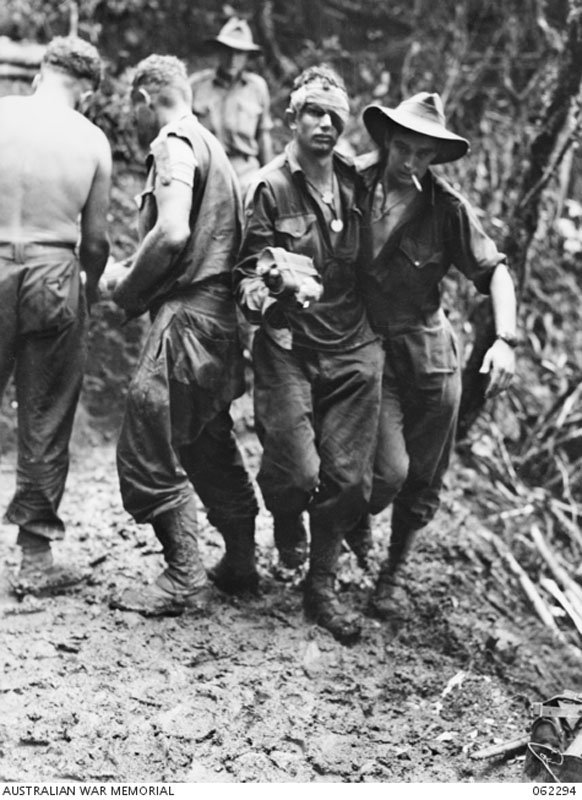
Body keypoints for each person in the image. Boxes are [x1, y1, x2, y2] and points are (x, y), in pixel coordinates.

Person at [353, 92, 517, 624]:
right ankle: (355, 519)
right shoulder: (351, 183)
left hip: (430, 363)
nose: (410, 163)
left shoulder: (445, 209)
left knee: (422, 477)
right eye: (402, 148)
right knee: (384, 471)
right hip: (370, 353)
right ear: (386, 141)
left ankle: (392, 575)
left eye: (423, 154)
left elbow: (495, 271)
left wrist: (505, 340)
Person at [234, 65, 384, 644]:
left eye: (334, 116)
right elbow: (245, 276)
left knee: (350, 481)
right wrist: (275, 290)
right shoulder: (269, 187)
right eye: (312, 113)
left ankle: (320, 587)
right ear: (291, 118)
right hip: (289, 345)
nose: (324, 124)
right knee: (295, 471)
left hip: (352, 346)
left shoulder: (358, 180)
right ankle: (287, 518)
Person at [106, 55, 258, 617]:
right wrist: (133, 265)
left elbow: (172, 232)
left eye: (131, 106)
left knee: (146, 435)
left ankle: (184, 577)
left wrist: (126, 293)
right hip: (217, 320)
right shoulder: (211, 145)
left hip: (187, 320)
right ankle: (241, 563)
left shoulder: (172, 143)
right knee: (203, 438)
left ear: (145, 98)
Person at [0, 36, 111, 595]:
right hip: (53, 272)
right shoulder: (91, 140)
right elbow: (96, 242)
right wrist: (84, 287)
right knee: (45, 414)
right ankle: (34, 560)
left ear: (42, 72)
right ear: (86, 92)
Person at [189, 17, 273, 195]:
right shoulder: (197, 85)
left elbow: (263, 136)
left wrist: (270, 178)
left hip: (245, 172)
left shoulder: (257, 88)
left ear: (248, 56)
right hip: (204, 171)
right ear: (219, 51)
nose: (233, 58)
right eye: (228, 50)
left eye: (240, 53)